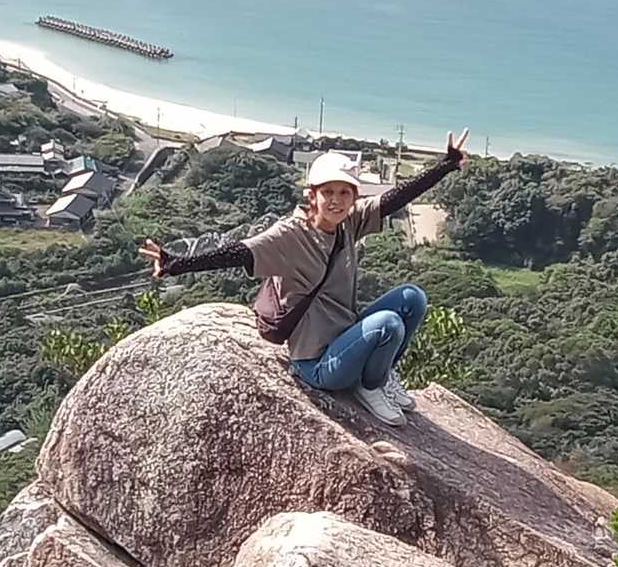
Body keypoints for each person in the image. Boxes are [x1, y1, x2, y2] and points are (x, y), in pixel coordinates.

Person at [139, 129, 470, 426]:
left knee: (412, 297)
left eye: (344, 193)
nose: (336, 201)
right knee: (388, 324)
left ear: (354, 196)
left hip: (348, 338)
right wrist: (176, 264)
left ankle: (381, 377)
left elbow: (395, 198)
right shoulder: (291, 235)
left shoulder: (349, 222)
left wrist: (446, 165)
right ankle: (370, 387)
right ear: (313, 195)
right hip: (318, 363)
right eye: (328, 192)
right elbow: (238, 252)